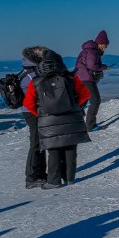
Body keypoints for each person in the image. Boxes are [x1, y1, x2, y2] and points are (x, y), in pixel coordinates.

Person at [22, 48, 91, 189]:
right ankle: (69, 178)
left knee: (53, 149)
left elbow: (28, 103)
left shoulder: (36, 82)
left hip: (48, 120)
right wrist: (74, 106)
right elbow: (85, 94)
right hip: (71, 118)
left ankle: (53, 181)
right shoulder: (71, 78)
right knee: (70, 148)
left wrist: (41, 114)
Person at [19, 46, 47, 188]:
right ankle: (32, 177)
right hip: (32, 111)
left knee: (40, 142)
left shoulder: (30, 71)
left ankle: (40, 174)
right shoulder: (32, 75)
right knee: (36, 143)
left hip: (32, 110)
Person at [74, 30, 109, 131]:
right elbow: (92, 66)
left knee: (82, 101)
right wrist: (104, 67)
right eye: (105, 45)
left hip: (79, 78)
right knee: (95, 101)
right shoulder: (93, 51)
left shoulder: (86, 50)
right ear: (101, 43)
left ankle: (75, 123)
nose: (105, 47)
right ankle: (90, 125)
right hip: (86, 79)